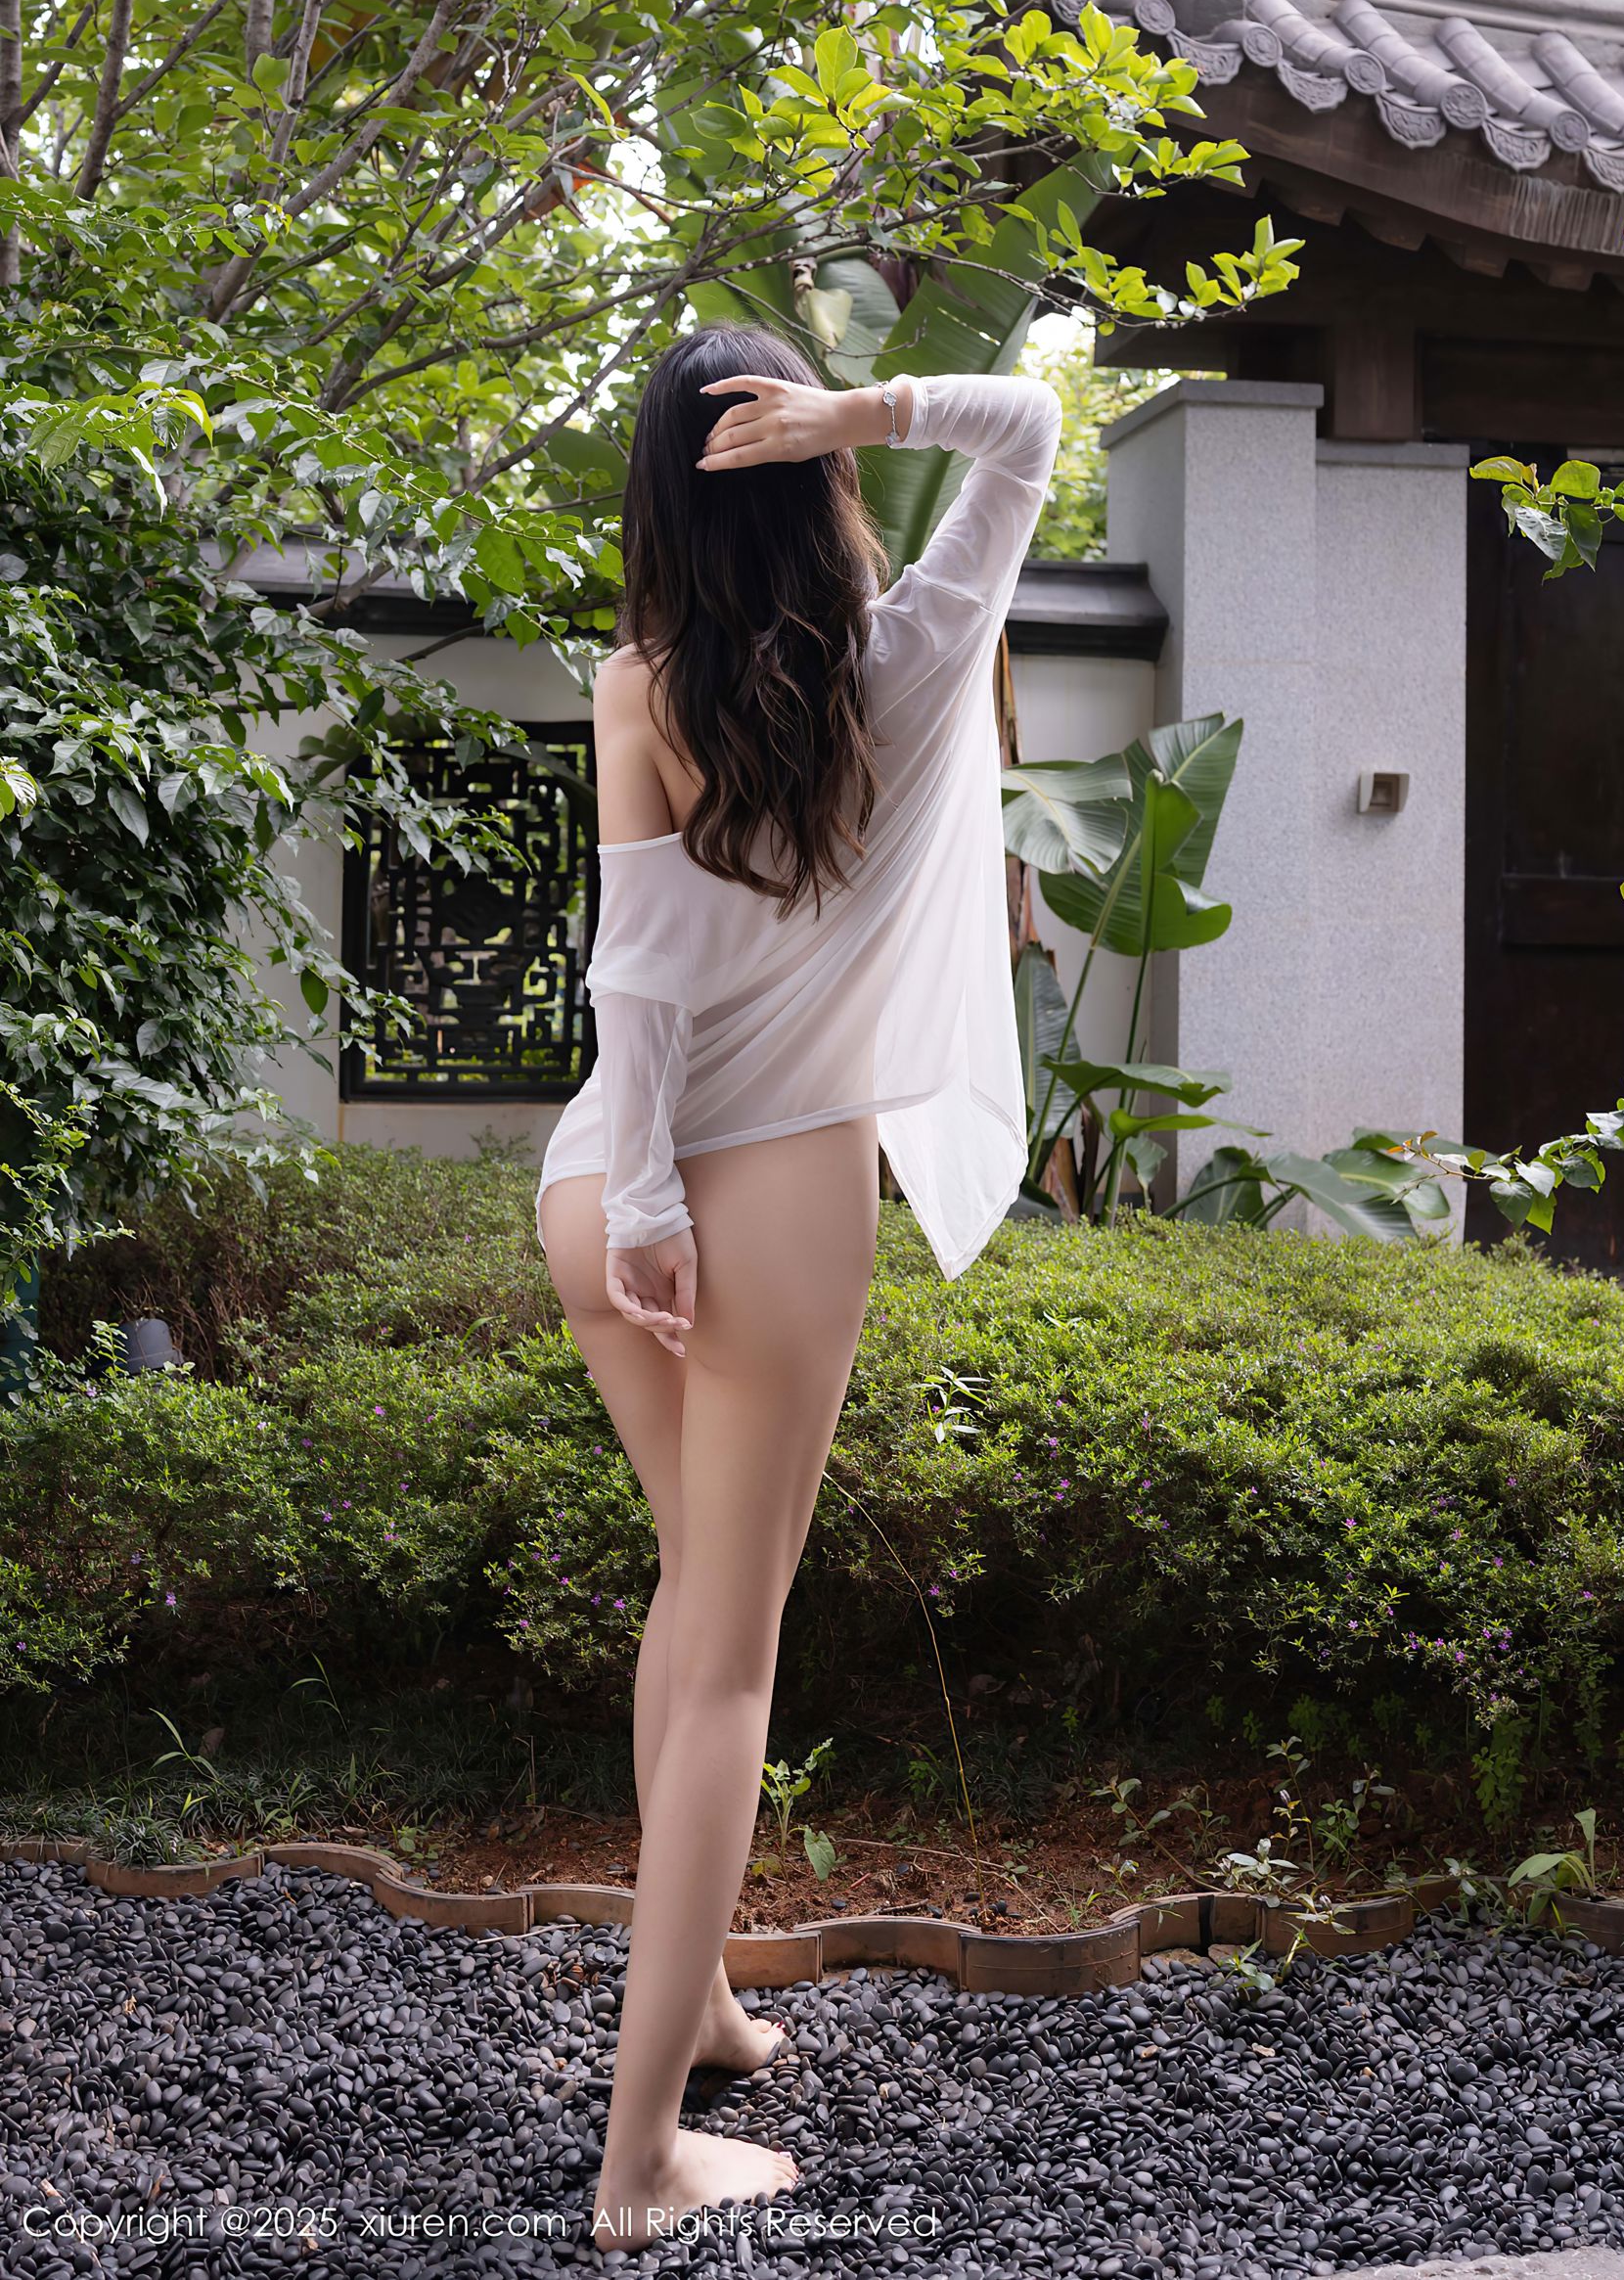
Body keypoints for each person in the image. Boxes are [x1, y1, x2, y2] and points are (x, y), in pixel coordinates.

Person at [534, 323, 1061, 2254]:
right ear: (821, 477)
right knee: (734, 1654)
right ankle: (640, 2161)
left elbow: (640, 980)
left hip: (599, 1188)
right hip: (758, 1209)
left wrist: (639, 1202)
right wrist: (871, 410)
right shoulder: (911, 656)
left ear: (658, 505)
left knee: (694, 1594)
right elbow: (1028, 430)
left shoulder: (636, 682)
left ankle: (700, 2006)